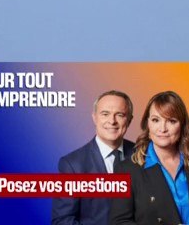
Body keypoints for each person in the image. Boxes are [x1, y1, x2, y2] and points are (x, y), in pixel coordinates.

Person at [110, 91, 189, 225]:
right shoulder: (126, 169)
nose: (162, 128)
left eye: (172, 121)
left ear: (182, 125)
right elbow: (119, 222)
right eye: (156, 120)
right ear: (147, 124)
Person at [53, 90, 135, 225]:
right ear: (94, 117)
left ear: (129, 120)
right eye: (105, 114)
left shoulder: (143, 155)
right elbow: (62, 221)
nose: (112, 121)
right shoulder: (72, 165)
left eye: (120, 115)